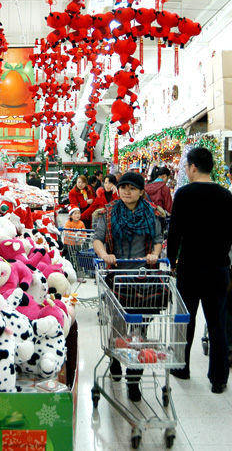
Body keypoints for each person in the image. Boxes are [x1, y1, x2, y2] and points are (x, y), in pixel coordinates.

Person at [93, 171, 163, 402]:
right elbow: (98, 238)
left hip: (144, 279)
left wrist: (154, 254)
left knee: (139, 332)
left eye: (132, 188)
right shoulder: (109, 213)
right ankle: (115, 358)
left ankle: (134, 379)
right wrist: (105, 255)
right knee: (118, 327)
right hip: (117, 278)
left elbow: (158, 240)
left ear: (142, 192)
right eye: (123, 187)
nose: (126, 191)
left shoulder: (152, 213)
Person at [167, 147, 232, 393]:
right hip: (218, 267)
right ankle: (219, 378)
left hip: (190, 267)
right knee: (216, 323)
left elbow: (175, 232)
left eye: (186, 167)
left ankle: (181, 367)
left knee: (186, 318)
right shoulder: (226, 195)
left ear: (193, 167)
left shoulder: (184, 194)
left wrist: (171, 261)